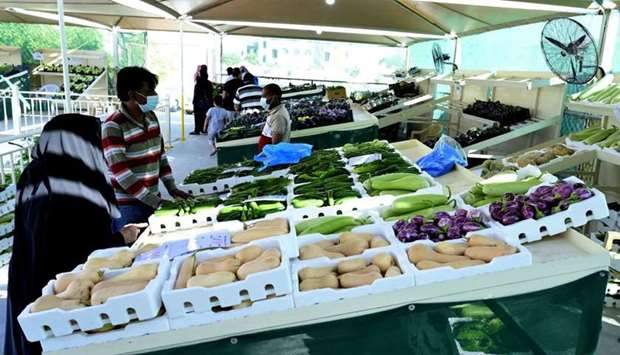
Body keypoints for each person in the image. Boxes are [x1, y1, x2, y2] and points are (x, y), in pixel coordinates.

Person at [4, 114, 144, 355]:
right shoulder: (77, 179)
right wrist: (124, 237)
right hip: (63, 288)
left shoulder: (33, 172)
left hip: (27, 274)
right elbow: (79, 248)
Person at [102, 66, 189, 232]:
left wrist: (172, 188)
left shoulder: (151, 117)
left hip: (152, 199)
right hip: (128, 206)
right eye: (148, 91)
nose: (153, 96)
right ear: (131, 94)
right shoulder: (113, 126)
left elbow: (160, 156)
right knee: (133, 252)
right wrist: (156, 202)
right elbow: (122, 174)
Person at [258, 83, 291, 152]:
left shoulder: (278, 116)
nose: (262, 100)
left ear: (274, 97)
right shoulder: (275, 111)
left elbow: (275, 144)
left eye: (265, 96)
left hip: (272, 156)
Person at [190, 64, 213, 135]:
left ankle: (197, 130)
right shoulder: (209, 83)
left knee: (197, 117)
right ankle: (204, 129)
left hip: (197, 102)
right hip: (207, 102)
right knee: (204, 116)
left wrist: (197, 69)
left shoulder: (198, 81)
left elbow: (195, 77)